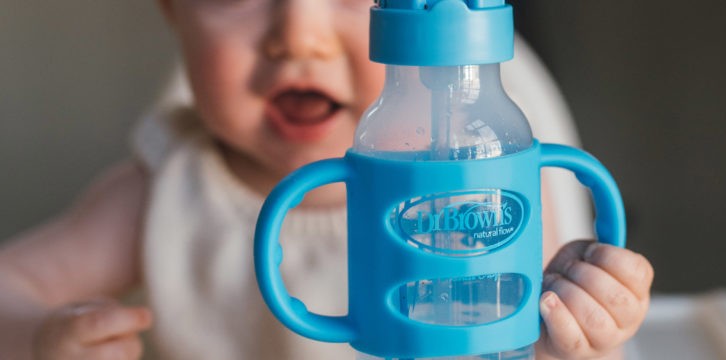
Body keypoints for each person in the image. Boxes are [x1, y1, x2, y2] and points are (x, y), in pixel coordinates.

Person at [0, 0, 654, 359]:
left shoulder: (481, 190)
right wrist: (42, 339)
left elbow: (537, 342)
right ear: (171, 9)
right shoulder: (163, 193)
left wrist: (586, 326)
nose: (299, 34)